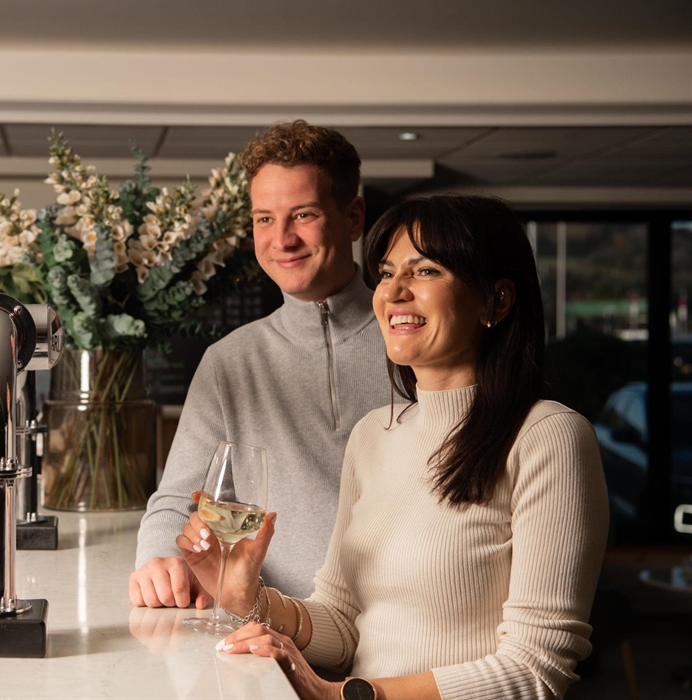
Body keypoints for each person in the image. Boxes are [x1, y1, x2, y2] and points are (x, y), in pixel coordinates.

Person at [176, 195, 610, 700]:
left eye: (425, 271)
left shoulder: (548, 437)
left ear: (497, 301)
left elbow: (536, 670)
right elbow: (342, 623)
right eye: (385, 272)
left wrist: (338, 695)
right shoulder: (372, 435)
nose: (394, 292)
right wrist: (246, 597)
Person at [130, 120, 390, 609]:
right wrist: (161, 559)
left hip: (406, 635)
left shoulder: (418, 342)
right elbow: (180, 499)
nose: (282, 239)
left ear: (353, 218)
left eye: (304, 215)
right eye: (264, 219)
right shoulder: (229, 362)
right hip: (275, 630)